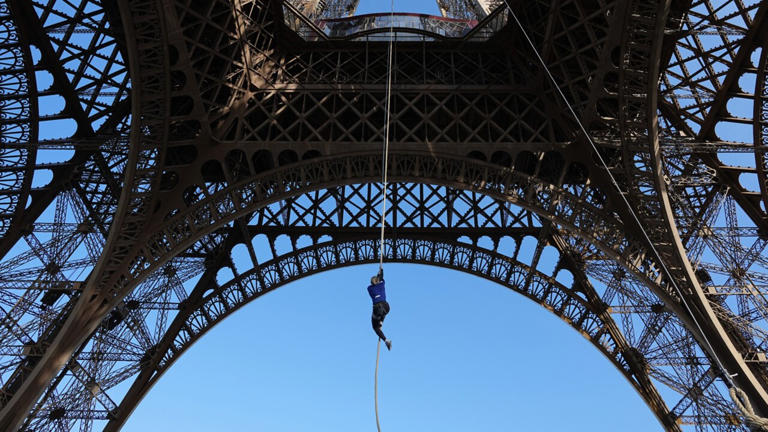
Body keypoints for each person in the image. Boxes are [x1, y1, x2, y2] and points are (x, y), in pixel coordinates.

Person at [368, 268, 392, 350]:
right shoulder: (382, 284)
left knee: (375, 327)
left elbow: (378, 279)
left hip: (377, 309)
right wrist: (381, 271)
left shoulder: (369, 289)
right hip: (386, 307)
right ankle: (381, 320)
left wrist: (379, 274)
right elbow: (381, 277)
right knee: (384, 311)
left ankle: (386, 340)